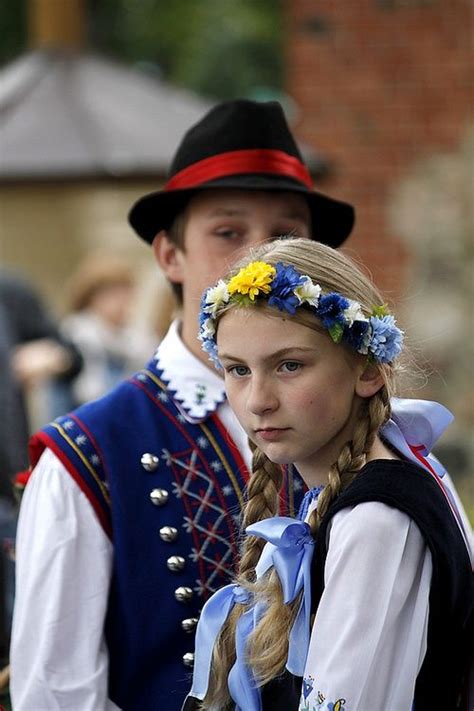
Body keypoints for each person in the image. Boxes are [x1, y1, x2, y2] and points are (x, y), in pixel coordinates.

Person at [10, 100, 356, 711]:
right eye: (228, 233)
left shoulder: (361, 423)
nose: (261, 258)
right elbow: (56, 693)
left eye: (285, 234)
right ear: (169, 255)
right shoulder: (88, 453)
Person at [184, 238, 473, 710]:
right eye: (237, 370)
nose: (258, 400)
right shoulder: (344, 495)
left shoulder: (377, 519)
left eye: (290, 365)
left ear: (367, 370)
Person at [49, 253, 156, 413]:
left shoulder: (139, 344)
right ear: (91, 297)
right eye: (112, 294)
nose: (122, 301)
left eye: (126, 292)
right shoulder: (72, 342)